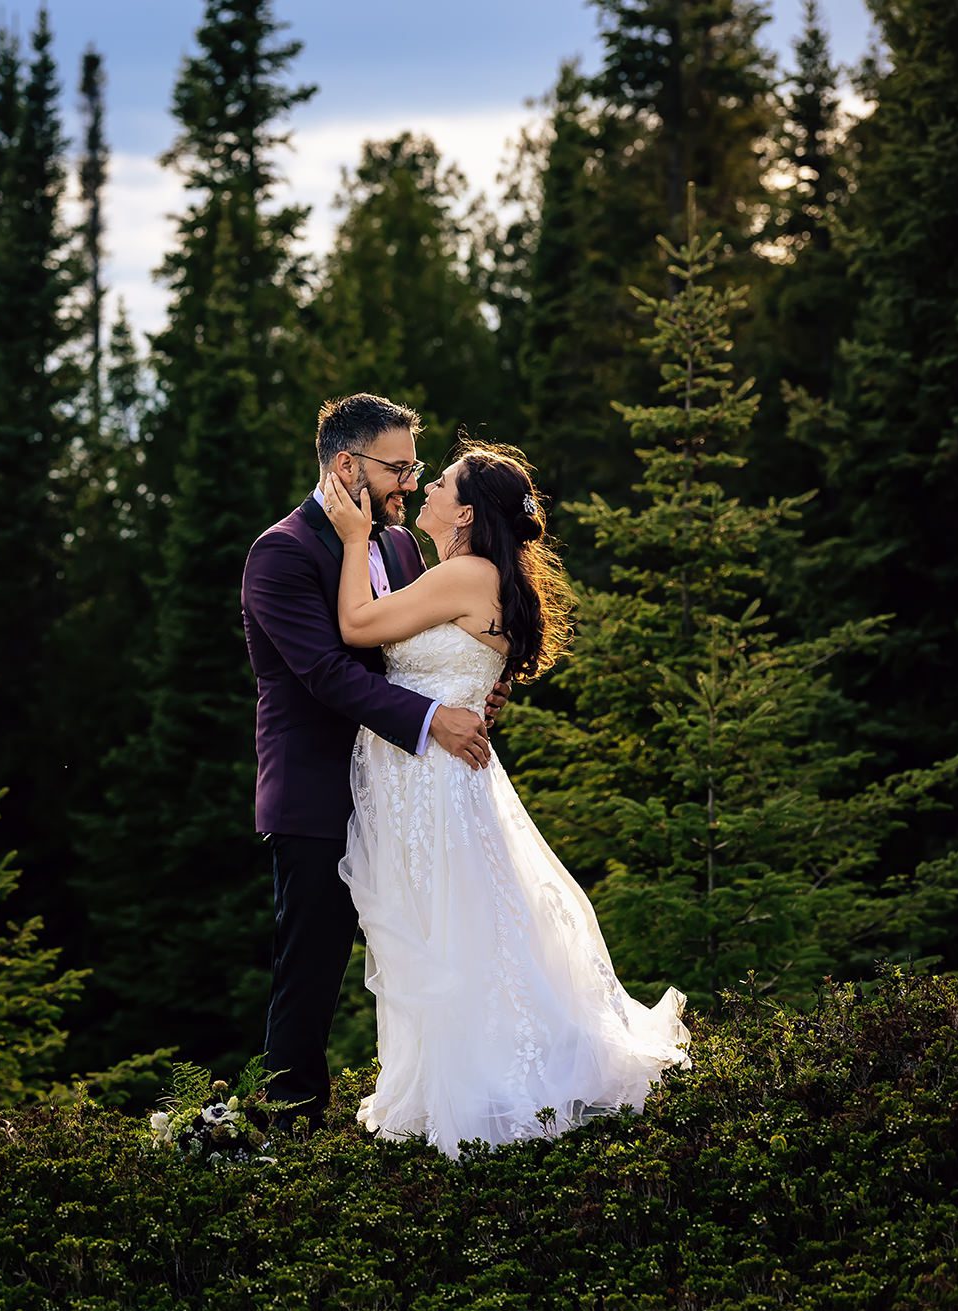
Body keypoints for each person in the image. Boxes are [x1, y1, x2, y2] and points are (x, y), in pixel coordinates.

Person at [319, 439, 689, 1158]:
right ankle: (479, 1077)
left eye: (443, 481)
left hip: (431, 780)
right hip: (439, 774)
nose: (426, 487)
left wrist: (356, 537)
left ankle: (488, 1091)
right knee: (467, 926)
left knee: (450, 932)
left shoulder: (462, 574)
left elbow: (357, 628)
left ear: (464, 511)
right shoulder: (477, 575)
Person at [240, 393, 500, 1133]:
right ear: (346, 464)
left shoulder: (396, 546)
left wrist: (475, 689)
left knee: (431, 953)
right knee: (311, 971)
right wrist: (431, 720)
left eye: (417, 469)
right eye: (400, 468)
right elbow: (327, 672)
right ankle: (288, 1137)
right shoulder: (281, 552)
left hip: (409, 791)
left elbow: (415, 654)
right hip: (319, 795)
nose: (411, 484)